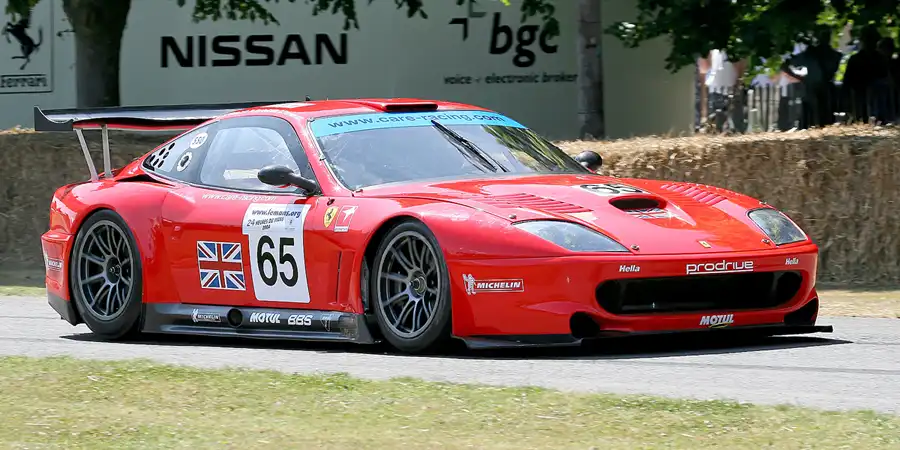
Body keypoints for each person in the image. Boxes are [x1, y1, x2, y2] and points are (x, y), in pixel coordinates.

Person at [842, 26, 891, 123]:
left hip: (876, 101)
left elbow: (886, 80)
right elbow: (847, 83)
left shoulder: (880, 59)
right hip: (860, 98)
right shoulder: (856, 59)